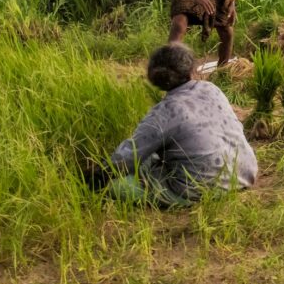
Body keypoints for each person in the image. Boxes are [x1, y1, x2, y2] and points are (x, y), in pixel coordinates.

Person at [105, 43, 258, 207]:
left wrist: (101, 174)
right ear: (190, 68)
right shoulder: (211, 89)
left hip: (203, 187)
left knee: (118, 186)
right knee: (153, 156)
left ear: (155, 79)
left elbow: (128, 156)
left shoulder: (163, 112)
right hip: (244, 173)